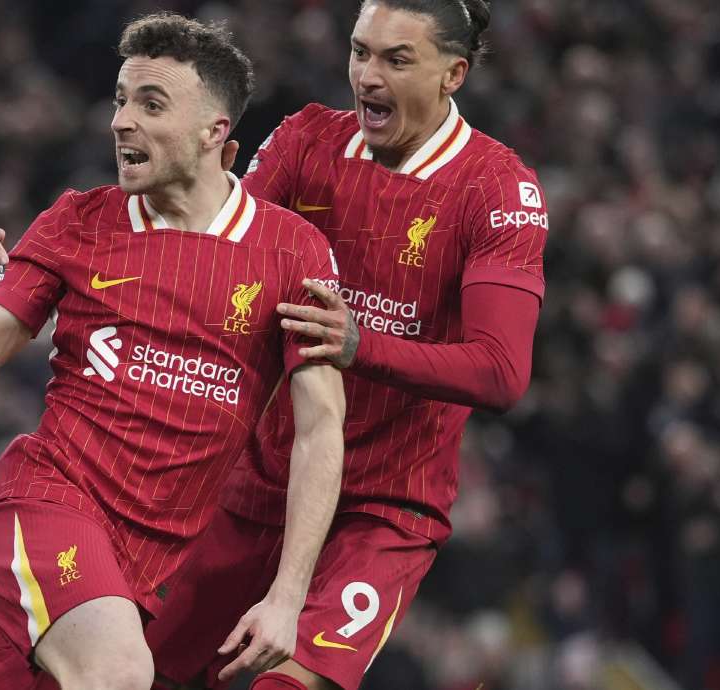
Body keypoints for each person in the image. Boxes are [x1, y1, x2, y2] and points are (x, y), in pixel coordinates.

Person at [0, 13, 346, 690]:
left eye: (151, 105)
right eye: (121, 101)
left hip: (140, 574)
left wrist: (288, 597)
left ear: (215, 132)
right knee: (118, 674)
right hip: (45, 504)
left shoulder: (294, 250)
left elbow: (321, 427)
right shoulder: (78, 222)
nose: (122, 122)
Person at [144, 1, 549, 689]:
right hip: (258, 482)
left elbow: (502, 371)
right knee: (135, 670)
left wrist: (362, 344)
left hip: (384, 507)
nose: (367, 74)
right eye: (361, 52)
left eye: (397, 59)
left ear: (454, 73)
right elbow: (223, 260)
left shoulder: (497, 189)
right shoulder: (307, 141)